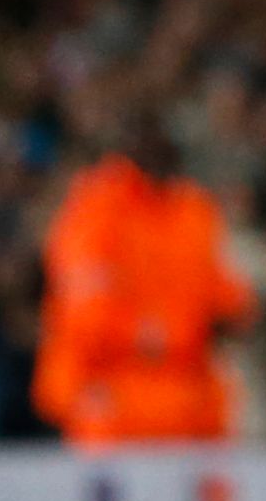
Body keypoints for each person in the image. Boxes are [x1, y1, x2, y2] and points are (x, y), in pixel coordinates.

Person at [33, 125, 254, 446]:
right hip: (111, 397)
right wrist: (153, 333)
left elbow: (223, 295)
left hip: (187, 397)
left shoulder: (193, 209)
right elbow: (85, 315)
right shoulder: (97, 208)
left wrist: (233, 309)